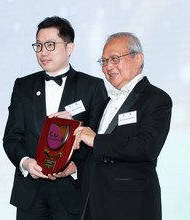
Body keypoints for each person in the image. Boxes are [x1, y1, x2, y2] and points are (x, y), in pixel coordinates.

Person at [2, 16, 107, 220]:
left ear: (69, 48)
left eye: (50, 45)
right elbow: (12, 137)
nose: (43, 52)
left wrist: (75, 166)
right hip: (30, 195)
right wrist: (25, 162)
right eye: (38, 45)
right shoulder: (23, 86)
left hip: (73, 194)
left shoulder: (92, 87)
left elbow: (100, 138)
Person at [74, 32, 172, 220]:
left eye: (115, 59)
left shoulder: (157, 99)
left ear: (138, 59)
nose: (108, 66)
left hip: (131, 206)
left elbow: (146, 147)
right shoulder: (104, 104)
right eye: (103, 61)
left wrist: (96, 139)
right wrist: (73, 167)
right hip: (94, 204)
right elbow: (94, 152)